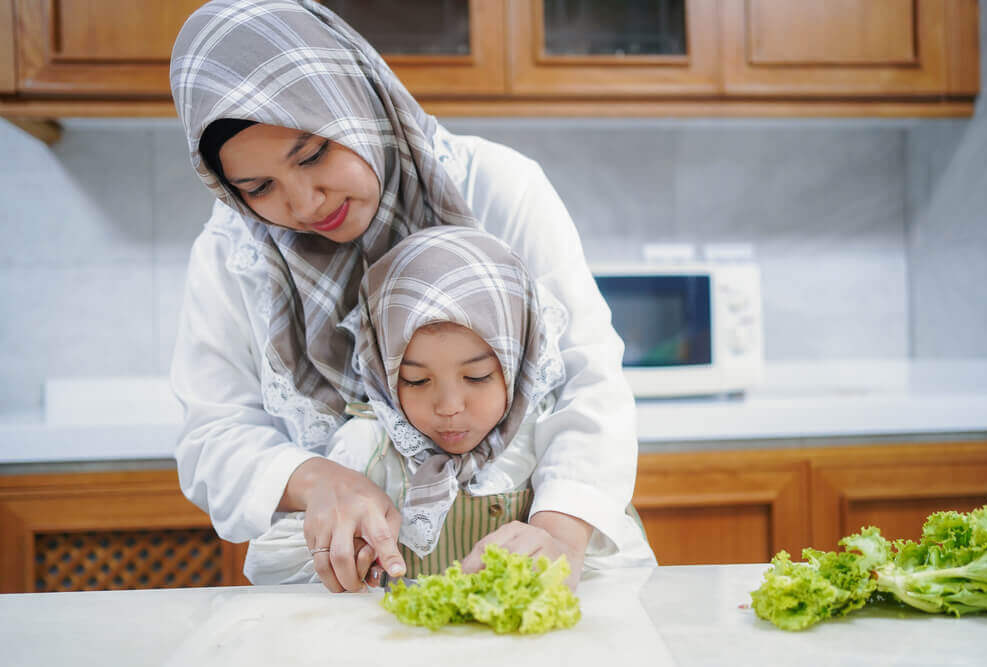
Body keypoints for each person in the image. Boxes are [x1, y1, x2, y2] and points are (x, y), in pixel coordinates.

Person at [170, 0, 647, 594]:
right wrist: (317, 480)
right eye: (258, 187)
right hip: (344, 588)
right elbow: (212, 436)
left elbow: (588, 381)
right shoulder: (234, 251)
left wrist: (558, 531)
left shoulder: (496, 186)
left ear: (357, 106)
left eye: (314, 153)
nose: (303, 203)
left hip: (534, 573)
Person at [242, 227, 656, 588]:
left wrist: (560, 553)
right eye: (416, 381)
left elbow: (627, 583)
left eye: (477, 378)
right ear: (382, 375)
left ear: (520, 366)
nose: (450, 407)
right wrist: (335, 560)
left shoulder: (554, 442)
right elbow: (278, 574)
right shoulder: (365, 451)